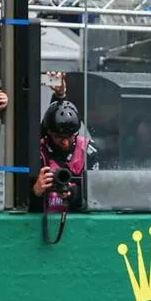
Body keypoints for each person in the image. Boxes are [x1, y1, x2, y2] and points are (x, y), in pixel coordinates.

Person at [32, 79, 98, 212]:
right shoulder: (37, 151)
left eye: (70, 137)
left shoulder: (88, 151)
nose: (65, 143)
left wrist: (73, 194)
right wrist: (36, 191)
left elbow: (96, 196)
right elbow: (22, 202)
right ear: (49, 133)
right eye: (58, 138)